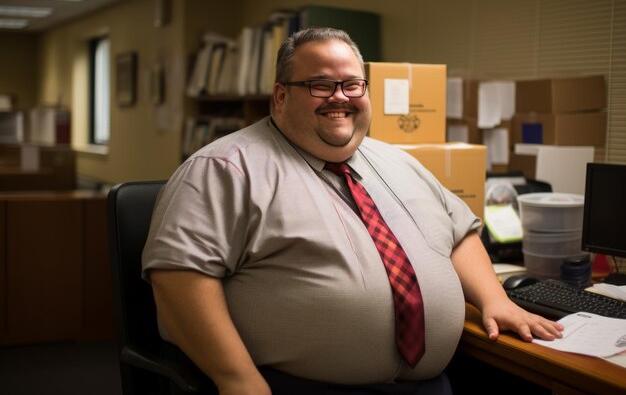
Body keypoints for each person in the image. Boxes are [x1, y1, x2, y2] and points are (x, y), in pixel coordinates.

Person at [142, 27, 563, 395]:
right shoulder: (224, 170)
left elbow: (459, 233)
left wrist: (494, 299)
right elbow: (179, 277)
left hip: (429, 384)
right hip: (295, 386)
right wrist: (235, 378)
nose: (339, 98)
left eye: (352, 85)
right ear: (281, 95)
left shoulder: (398, 161)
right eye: (320, 85)